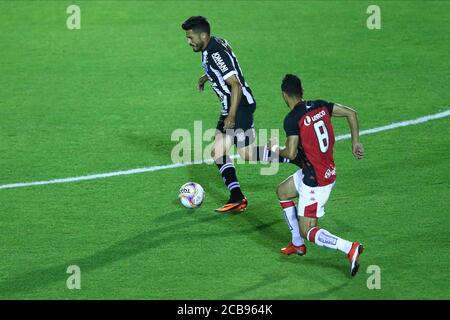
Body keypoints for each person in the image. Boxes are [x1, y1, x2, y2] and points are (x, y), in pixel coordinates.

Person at [181, 16, 299, 213]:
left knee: (243, 153)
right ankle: (237, 197)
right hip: (232, 106)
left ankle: (295, 157)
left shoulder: (214, 53)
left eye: (190, 37)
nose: (188, 42)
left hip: (238, 106)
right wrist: (207, 76)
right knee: (224, 152)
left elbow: (235, 84)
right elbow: (229, 66)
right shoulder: (214, 43)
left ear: (203, 35)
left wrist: (232, 116)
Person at [272, 74, 364, 276]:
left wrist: (275, 149)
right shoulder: (320, 106)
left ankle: (349, 247)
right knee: (283, 191)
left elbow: (291, 153)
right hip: (319, 170)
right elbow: (351, 113)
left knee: (309, 231)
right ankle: (297, 244)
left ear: (284, 95)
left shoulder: (292, 119)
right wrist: (355, 142)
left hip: (316, 181)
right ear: (301, 91)